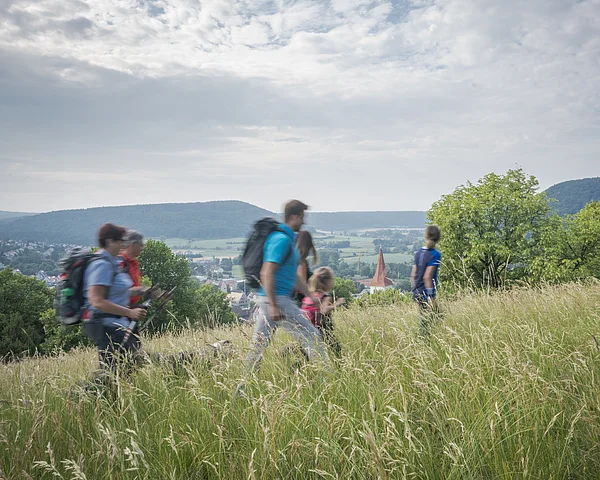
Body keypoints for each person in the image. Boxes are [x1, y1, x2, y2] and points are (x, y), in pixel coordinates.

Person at [243, 200, 330, 373]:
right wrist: (274, 305)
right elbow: (266, 272)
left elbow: (294, 275)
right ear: (293, 217)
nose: (304, 221)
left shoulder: (289, 240)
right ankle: (326, 378)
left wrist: (310, 296)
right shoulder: (281, 239)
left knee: (258, 346)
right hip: (278, 299)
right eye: (302, 217)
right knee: (313, 336)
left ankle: (243, 384)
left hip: (271, 299)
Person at [82, 223, 147, 375]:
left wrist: (144, 291)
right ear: (109, 241)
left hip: (117, 325)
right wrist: (129, 313)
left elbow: (118, 293)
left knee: (126, 368)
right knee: (116, 372)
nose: (123, 245)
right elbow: (97, 300)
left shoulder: (113, 263)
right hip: (107, 327)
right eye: (120, 241)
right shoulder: (101, 264)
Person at [301, 267, 345, 357]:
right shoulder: (325, 296)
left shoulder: (310, 295)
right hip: (323, 329)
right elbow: (324, 310)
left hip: (307, 327)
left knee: (308, 352)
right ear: (328, 282)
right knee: (336, 351)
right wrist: (337, 304)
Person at [410, 225, 442, 339]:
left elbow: (413, 275)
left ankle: (423, 339)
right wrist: (430, 296)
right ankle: (426, 341)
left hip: (417, 292)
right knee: (436, 319)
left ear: (426, 236)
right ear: (438, 238)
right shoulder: (435, 254)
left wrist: (414, 291)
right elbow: (427, 277)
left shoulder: (418, 253)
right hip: (426, 293)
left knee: (423, 319)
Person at [119, 230, 146, 306]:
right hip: (120, 308)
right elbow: (114, 291)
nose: (142, 248)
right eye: (141, 245)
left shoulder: (134, 263)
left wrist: (151, 291)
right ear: (133, 245)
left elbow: (134, 287)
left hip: (130, 308)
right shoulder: (120, 262)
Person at [295, 230, 318, 306]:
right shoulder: (301, 262)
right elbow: (302, 283)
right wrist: (313, 296)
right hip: (300, 300)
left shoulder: (293, 259)